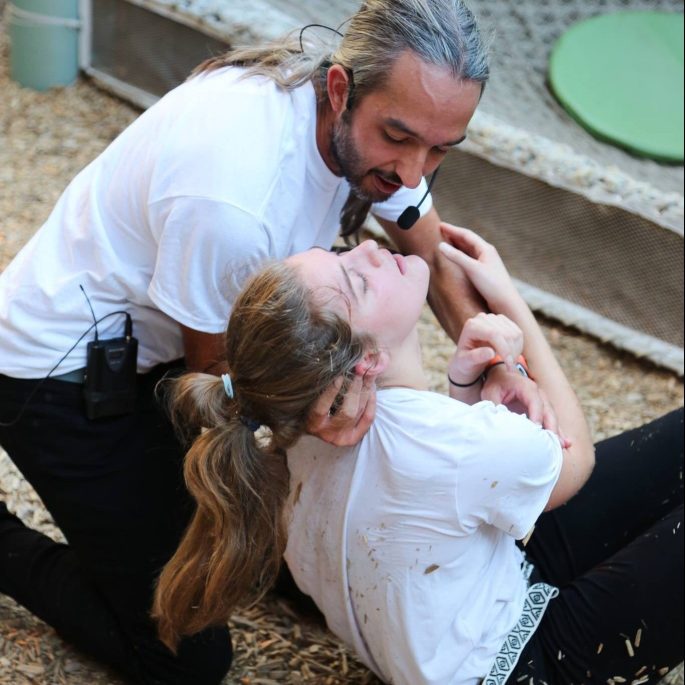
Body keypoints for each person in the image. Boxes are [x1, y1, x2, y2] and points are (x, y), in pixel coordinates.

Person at [0, 1, 545, 683]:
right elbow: (227, 385)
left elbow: (431, 259)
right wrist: (340, 417)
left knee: (291, 554)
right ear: (341, 89)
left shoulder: (380, 135)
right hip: (60, 376)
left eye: (439, 150)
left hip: (163, 347)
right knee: (184, 656)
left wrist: (502, 364)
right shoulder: (234, 201)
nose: (413, 173)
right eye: (400, 139)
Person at [151, 226, 683, 685]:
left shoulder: (292, 438)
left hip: (457, 621)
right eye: (358, 282)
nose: (367, 249)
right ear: (366, 362)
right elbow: (576, 462)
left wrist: (465, 388)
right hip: (526, 667)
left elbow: (435, 503)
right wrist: (510, 308)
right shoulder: (442, 443)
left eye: (339, 254)